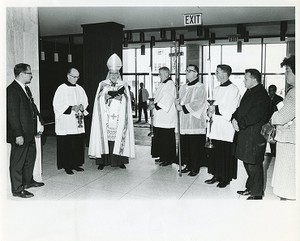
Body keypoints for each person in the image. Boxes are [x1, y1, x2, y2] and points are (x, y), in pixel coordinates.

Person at [88, 53, 135, 170]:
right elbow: (98, 100)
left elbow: (128, 101)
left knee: (119, 137)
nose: (114, 75)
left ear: (118, 74)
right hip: (106, 117)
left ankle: (120, 161)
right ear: (109, 74)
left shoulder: (123, 84)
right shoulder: (103, 84)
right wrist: (105, 97)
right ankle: (103, 161)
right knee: (105, 137)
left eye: (116, 73)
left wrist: (122, 98)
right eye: (112, 73)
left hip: (119, 117)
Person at [7, 63, 45, 198]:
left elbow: (32, 107)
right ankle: (17, 189)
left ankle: (28, 181)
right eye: (29, 73)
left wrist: (40, 122)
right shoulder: (11, 90)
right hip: (20, 134)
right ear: (22, 74)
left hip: (29, 132)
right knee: (17, 162)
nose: (31, 75)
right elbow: (12, 115)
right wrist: (18, 134)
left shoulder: (26, 89)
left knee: (29, 158)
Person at [232, 69, 270, 200]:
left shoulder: (261, 94)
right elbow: (241, 109)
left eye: (246, 79)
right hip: (246, 134)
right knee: (247, 162)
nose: (244, 81)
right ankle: (250, 188)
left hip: (254, 136)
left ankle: (257, 194)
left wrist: (240, 123)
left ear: (254, 80)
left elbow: (255, 115)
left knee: (254, 164)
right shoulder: (249, 92)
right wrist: (234, 118)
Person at [205, 64, 241, 188]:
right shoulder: (216, 89)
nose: (216, 74)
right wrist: (209, 112)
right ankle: (216, 174)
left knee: (225, 152)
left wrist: (214, 108)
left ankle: (225, 177)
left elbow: (231, 109)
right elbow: (210, 106)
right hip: (216, 126)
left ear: (225, 73)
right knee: (215, 152)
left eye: (217, 72)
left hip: (226, 128)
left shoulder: (233, 89)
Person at [53, 68, 88, 175]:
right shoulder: (61, 88)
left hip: (77, 121)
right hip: (66, 121)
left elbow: (85, 101)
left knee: (77, 142)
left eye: (77, 77)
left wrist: (82, 106)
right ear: (68, 76)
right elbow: (57, 104)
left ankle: (76, 164)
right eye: (74, 77)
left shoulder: (80, 88)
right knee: (67, 143)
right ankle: (67, 165)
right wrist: (71, 108)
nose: (76, 79)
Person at [175, 64, 207, 176]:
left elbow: (198, 102)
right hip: (184, 121)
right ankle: (187, 165)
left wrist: (182, 107)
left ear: (196, 73)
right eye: (187, 70)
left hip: (195, 122)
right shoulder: (183, 87)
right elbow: (180, 99)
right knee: (186, 145)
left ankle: (195, 167)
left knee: (194, 146)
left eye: (190, 70)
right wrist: (177, 102)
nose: (188, 72)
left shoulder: (200, 86)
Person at [271, 55, 295, 200]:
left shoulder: (294, 92)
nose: (285, 74)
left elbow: (281, 116)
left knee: (287, 173)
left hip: (290, 140)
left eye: (287, 71)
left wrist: (273, 116)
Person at [150, 67, 177, 166]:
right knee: (160, 138)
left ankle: (168, 159)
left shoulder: (170, 85)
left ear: (166, 74)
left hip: (166, 118)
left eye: (160, 74)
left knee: (166, 139)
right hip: (160, 117)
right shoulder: (163, 84)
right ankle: (162, 156)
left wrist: (155, 105)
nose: (159, 76)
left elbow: (167, 99)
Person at [267, 84, 283, 157]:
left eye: (272, 90)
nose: (270, 92)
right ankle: (272, 151)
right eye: (269, 90)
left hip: (276, 121)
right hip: (268, 120)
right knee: (269, 137)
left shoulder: (279, 99)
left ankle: (276, 152)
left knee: (275, 136)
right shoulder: (266, 98)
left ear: (275, 91)